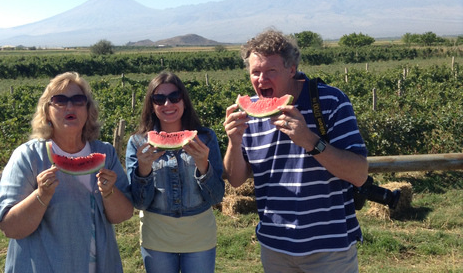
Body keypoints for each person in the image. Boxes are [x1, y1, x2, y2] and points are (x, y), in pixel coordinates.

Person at [223, 29, 369, 273]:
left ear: (292, 69)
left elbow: (359, 173)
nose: (261, 79)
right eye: (255, 72)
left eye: (271, 71)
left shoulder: (330, 101)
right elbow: (236, 180)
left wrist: (310, 141)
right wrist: (234, 142)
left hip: (329, 248)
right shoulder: (247, 114)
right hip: (274, 246)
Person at [0, 72, 134, 273]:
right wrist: (41, 196)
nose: (70, 106)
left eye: (78, 100)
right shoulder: (28, 156)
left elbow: (124, 214)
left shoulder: (104, 153)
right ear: (47, 112)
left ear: (87, 111)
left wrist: (109, 192)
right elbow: (10, 227)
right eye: (59, 101)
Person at [126, 71, 225, 273]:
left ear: (184, 101)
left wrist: (203, 166)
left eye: (174, 97)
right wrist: (143, 171)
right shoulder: (138, 143)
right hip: (156, 237)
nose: (167, 104)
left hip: (200, 236)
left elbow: (216, 197)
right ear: (151, 105)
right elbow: (140, 203)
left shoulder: (205, 138)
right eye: (159, 99)